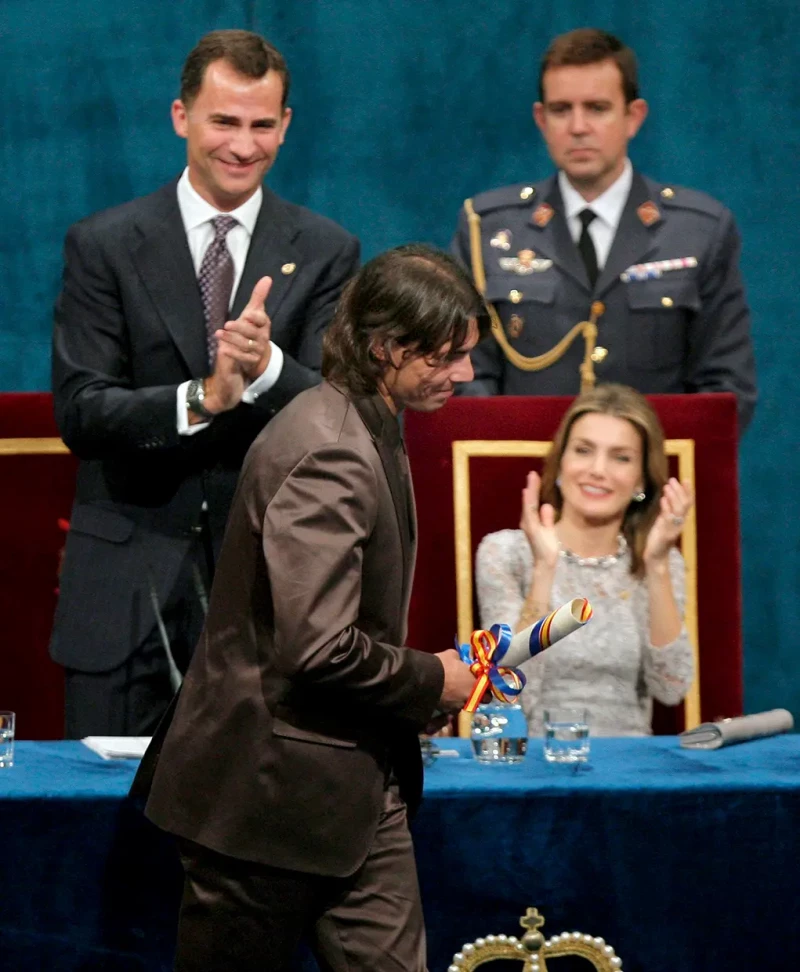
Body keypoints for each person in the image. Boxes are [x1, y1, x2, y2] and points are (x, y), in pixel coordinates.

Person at [138, 245, 487, 971]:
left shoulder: (366, 421)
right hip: (263, 804)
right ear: (387, 347)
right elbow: (318, 647)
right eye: (448, 356)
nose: (466, 374)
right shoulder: (330, 448)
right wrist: (433, 681)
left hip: (354, 794)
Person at [50, 30, 360, 739]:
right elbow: (82, 410)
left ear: (285, 127)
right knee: (107, 832)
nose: (243, 146)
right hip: (124, 595)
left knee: (253, 833)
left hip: (264, 593)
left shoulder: (325, 250)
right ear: (181, 116)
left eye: (261, 125)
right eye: (224, 121)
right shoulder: (102, 244)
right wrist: (205, 398)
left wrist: (267, 370)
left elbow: (340, 413)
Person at [452, 27, 757, 433]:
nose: (578, 127)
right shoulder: (487, 228)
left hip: (651, 486)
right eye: (561, 110)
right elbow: (464, 375)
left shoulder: (699, 231)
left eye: (597, 108)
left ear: (634, 117)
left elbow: (725, 390)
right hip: (523, 479)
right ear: (541, 120)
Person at [475, 384, 694, 736]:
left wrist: (656, 566)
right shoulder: (505, 552)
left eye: (620, 457)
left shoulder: (659, 561)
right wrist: (544, 570)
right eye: (583, 451)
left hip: (630, 770)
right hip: (533, 767)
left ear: (642, 478)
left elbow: (671, 687)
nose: (598, 470)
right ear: (561, 462)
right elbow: (510, 694)